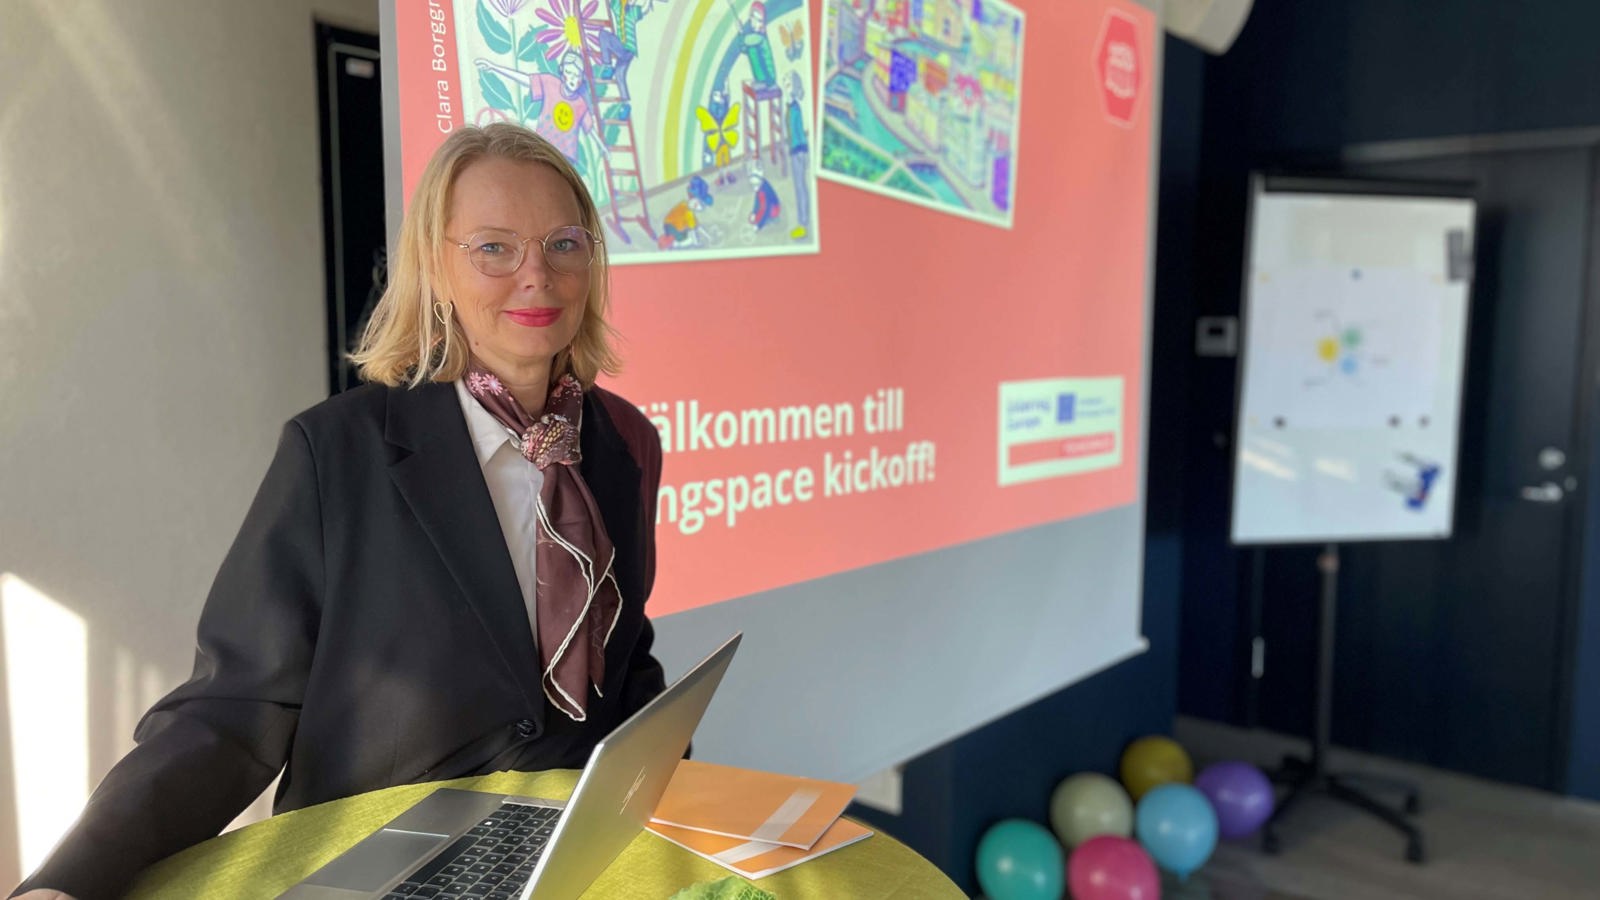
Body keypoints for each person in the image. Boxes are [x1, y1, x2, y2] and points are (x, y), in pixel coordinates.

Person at [11, 123, 667, 900]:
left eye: (563, 244)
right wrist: (72, 879)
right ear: (435, 269)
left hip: (567, 859)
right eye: (493, 248)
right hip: (378, 869)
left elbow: (623, 664)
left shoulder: (625, 442)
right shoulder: (334, 452)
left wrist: (674, 789)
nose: (537, 276)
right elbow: (233, 712)